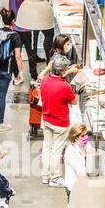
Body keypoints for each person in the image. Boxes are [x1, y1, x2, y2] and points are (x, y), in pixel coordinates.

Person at [40, 54, 77, 188]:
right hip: (60, 123)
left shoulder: (45, 80)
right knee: (56, 150)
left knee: (47, 148)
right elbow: (74, 101)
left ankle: (45, 176)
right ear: (62, 71)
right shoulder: (64, 86)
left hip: (46, 119)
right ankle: (54, 177)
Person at [0, 8, 23, 132]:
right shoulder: (15, 36)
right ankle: (0, 124)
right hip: (6, 70)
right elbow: (18, 57)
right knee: (1, 96)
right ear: (13, 21)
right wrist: (20, 73)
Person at [64, 124, 91, 208]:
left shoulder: (86, 146)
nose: (85, 138)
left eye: (86, 135)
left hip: (83, 185)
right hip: (73, 186)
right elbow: (80, 170)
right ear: (75, 137)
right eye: (82, 136)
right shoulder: (70, 151)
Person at [8, 0, 38, 81]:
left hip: (14, 25)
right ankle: (34, 76)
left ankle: (16, 76)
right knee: (30, 52)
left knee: (15, 53)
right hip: (25, 27)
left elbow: (10, 6)